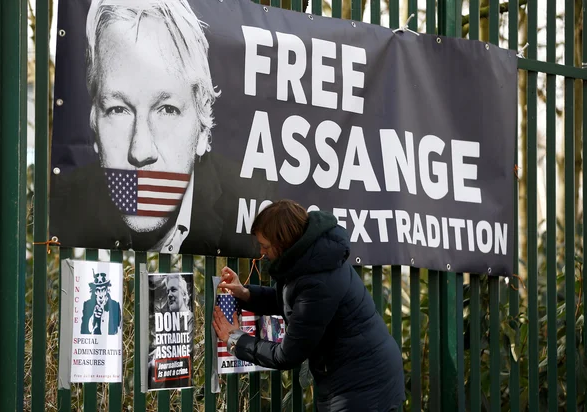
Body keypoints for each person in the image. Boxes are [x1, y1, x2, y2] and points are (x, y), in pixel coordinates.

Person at [48, 0, 276, 257]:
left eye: (167, 109)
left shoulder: (251, 199)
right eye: (118, 109)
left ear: (202, 128)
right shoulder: (66, 202)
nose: (141, 150)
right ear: (94, 122)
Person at [212, 200, 405, 412]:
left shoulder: (318, 280)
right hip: (356, 374)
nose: (261, 252)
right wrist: (245, 293)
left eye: (265, 246)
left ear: (283, 243)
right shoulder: (312, 259)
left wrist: (235, 339)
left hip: (362, 385)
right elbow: (294, 302)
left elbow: (287, 355)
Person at [81, 271, 122, 335]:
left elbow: (118, 331)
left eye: (103, 290)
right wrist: (93, 318)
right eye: (98, 290)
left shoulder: (115, 305)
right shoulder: (87, 305)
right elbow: (83, 330)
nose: (100, 294)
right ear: (94, 292)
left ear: (106, 290)